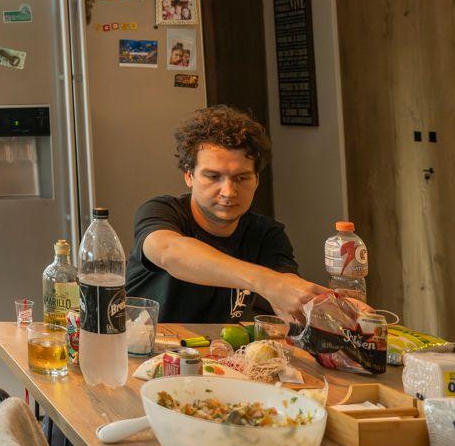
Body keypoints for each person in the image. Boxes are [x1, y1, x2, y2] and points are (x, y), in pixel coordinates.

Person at [126, 104, 327, 324]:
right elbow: (169, 252)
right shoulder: (162, 212)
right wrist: (266, 282)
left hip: (221, 355)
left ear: (257, 180)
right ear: (189, 175)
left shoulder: (266, 234)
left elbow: (287, 288)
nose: (229, 192)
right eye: (213, 177)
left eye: (242, 178)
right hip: (146, 351)